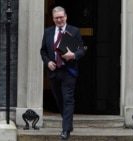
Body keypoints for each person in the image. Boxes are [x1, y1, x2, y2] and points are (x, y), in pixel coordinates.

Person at [40, 6, 85, 140]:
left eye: (61, 17)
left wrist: (73, 55)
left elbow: (82, 50)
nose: (59, 20)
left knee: (68, 99)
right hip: (54, 71)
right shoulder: (48, 32)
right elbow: (43, 51)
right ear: (53, 19)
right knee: (59, 100)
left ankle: (65, 130)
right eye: (56, 18)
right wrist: (48, 62)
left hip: (68, 71)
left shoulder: (74, 31)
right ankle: (68, 124)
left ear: (66, 17)